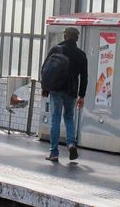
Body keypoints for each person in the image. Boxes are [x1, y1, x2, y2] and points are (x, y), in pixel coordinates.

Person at [42, 27, 88, 162]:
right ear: (77, 38)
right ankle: (71, 143)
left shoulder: (56, 49)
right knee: (68, 117)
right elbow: (85, 77)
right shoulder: (81, 54)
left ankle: (54, 152)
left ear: (65, 36)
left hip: (56, 89)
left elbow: (45, 68)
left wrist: (45, 87)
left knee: (55, 118)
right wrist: (82, 96)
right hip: (72, 91)